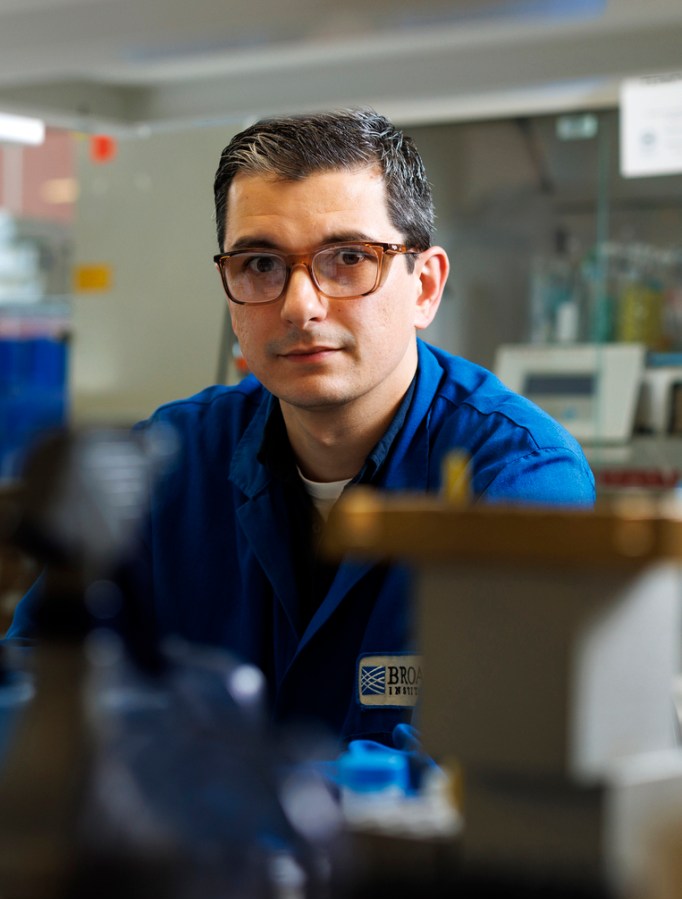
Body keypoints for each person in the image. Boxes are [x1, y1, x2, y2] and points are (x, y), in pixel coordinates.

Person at [6, 109, 594, 747]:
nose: (300, 305)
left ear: (424, 286)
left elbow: (486, 755)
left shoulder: (518, 480)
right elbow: (30, 692)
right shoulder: (169, 463)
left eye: (347, 258)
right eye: (260, 265)